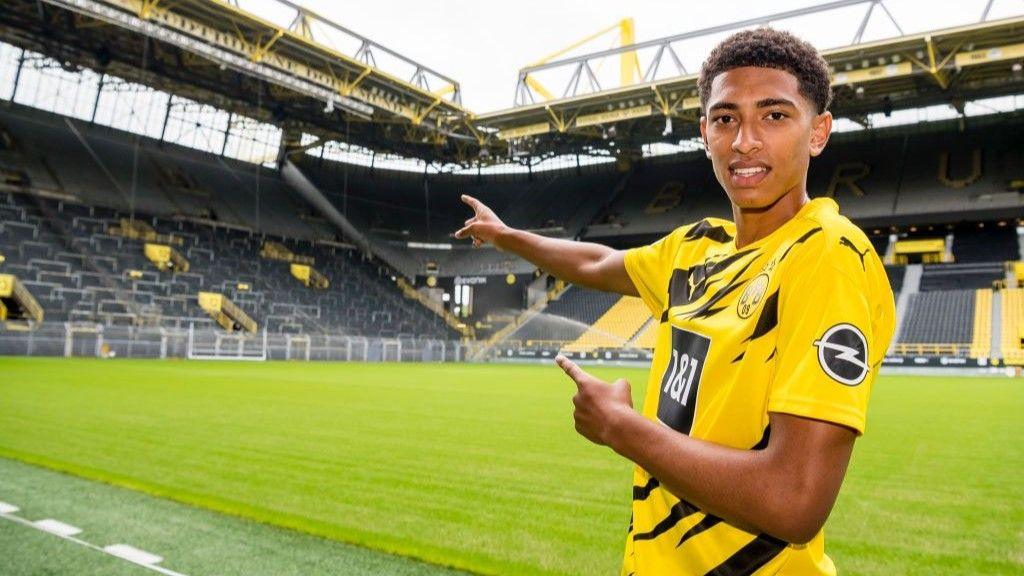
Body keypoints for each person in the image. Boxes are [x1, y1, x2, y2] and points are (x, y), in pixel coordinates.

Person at [455, 27, 895, 576]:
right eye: (726, 118)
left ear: (818, 132)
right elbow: (595, 263)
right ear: (705, 132)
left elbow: (794, 500)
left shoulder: (826, 254)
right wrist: (506, 236)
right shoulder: (696, 248)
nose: (745, 141)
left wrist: (621, 427)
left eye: (775, 116)